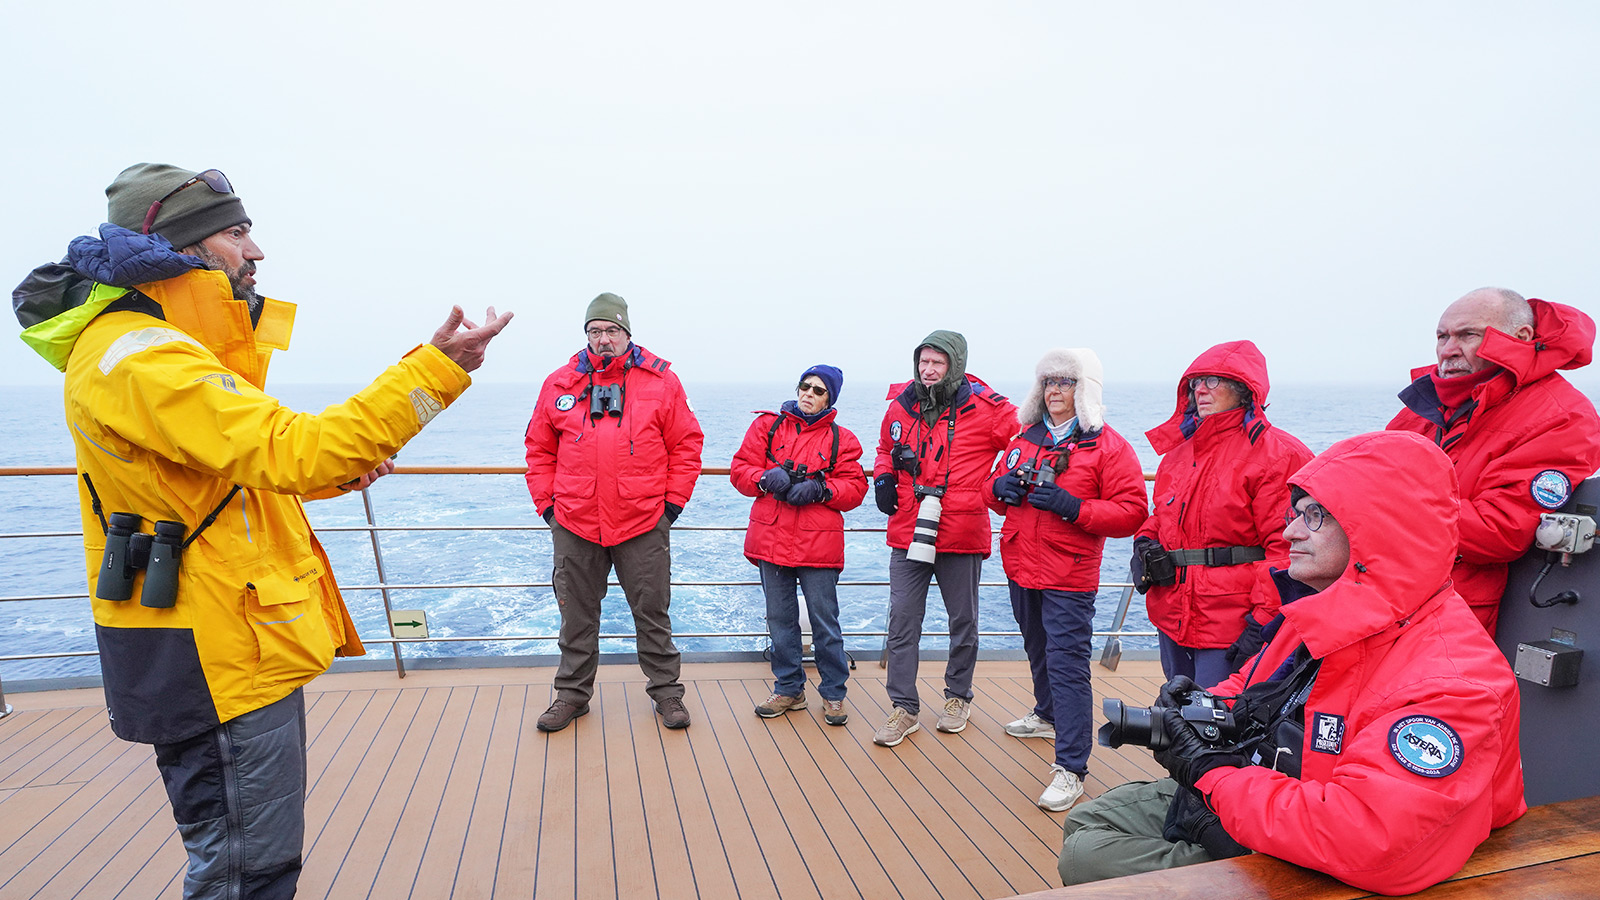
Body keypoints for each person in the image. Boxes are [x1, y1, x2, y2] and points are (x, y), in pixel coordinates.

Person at [11, 163, 512, 899]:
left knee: (251, 861)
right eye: (237, 232)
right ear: (177, 246)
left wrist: (341, 468)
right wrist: (437, 371)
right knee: (247, 871)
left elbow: (239, 472)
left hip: (222, 638)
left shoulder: (154, 349)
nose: (256, 252)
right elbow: (294, 450)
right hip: (213, 651)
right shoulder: (145, 359)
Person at [1059, 431, 1526, 895]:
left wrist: (1210, 772)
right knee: (1086, 818)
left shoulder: (1455, 682)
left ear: (1378, 526)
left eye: (1315, 516)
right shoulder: (1329, 610)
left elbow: (1370, 837)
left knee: (1085, 856)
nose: (1289, 532)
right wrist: (1205, 702)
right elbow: (1256, 687)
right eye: (1296, 513)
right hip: (1277, 786)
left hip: (1334, 855)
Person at [524, 292, 704, 732]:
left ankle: (668, 695)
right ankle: (570, 696)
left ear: (627, 333)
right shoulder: (559, 383)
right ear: (587, 335)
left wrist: (671, 507)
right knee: (576, 615)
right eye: (595, 331)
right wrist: (548, 508)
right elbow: (539, 449)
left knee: (652, 612)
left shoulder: (661, 382)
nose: (603, 339)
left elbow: (686, 445)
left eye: (612, 331)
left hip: (642, 522)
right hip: (574, 521)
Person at [1386, 287, 1600, 636]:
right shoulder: (1422, 412)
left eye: (1468, 335)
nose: (1449, 349)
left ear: (1521, 336)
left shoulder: (1563, 416)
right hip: (1383, 592)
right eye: (1442, 336)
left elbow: (1498, 529)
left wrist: (1386, 503)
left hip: (1448, 614)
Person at [986, 349, 1148, 811]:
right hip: (1021, 564)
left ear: (1085, 389)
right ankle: (1046, 714)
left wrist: (1073, 507)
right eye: (1050, 381)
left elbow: (1133, 511)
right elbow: (993, 486)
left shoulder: (1108, 446)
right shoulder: (1024, 438)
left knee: (1068, 665)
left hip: (1069, 574)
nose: (1055, 389)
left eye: (1066, 381)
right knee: (1036, 648)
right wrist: (997, 490)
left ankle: (1071, 767)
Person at [1132, 340, 1311, 687]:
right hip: (1173, 615)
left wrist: (1263, 623)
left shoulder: (1278, 455)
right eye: (1196, 382)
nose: (1201, 389)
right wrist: (1144, 542)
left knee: (1217, 722)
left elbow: (1288, 548)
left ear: (1244, 390)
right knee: (1178, 716)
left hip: (1233, 623)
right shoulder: (1179, 454)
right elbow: (1161, 515)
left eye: (1214, 380)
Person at [871, 330, 1018, 747]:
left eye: (937, 362)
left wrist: (996, 483)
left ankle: (958, 697)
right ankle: (903, 707)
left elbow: (1024, 443)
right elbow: (884, 446)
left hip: (961, 528)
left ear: (955, 364)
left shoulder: (987, 408)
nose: (928, 370)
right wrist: (884, 473)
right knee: (902, 620)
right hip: (909, 525)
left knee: (963, 621)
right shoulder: (902, 406)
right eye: (923, 362)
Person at [729, 365, 868, 724]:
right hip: (771, 540)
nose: (808, 393)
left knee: (825, 623)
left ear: (829, 398)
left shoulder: (844, 439)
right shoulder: (766, 426)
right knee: (779, 620)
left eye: (818, 390)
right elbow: (739, 471)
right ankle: (789, 688)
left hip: (818, 545)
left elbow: (855, 489)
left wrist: (822, 489)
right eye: (805, 386)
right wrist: (763, 478)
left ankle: (834, 693)